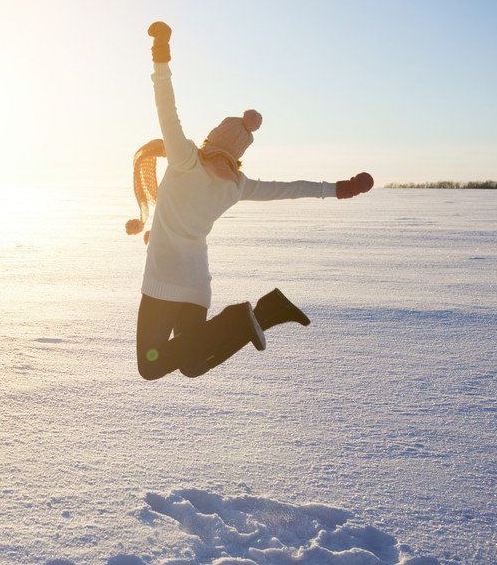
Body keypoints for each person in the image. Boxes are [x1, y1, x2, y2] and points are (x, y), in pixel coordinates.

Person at [128, 22, 373, 381]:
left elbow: (166, 106)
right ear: (239, 155)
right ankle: (264, 313)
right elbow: (290, 188)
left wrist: (161, 52)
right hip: (197, 287)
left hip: (163, 283)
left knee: (150, 366)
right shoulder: (237, 186)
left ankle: (237, 319)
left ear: (212, 139)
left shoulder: (185, 160)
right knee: (193, 362)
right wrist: (339, 188)